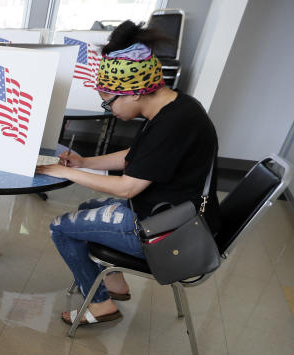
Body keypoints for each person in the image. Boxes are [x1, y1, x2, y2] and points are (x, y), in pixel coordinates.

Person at [36, 20, 219, 327]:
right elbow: (135, 158)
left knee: (60, 227)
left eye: (109, 102)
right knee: (86, 209)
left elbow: (127, 188)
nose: (110, 110)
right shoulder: (174, 107)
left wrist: (58, 170)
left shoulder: (174, 124)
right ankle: (115, 282)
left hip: (166, 232)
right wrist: (84, 164)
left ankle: (101, 303)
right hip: (169, 212)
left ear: (132, 92)